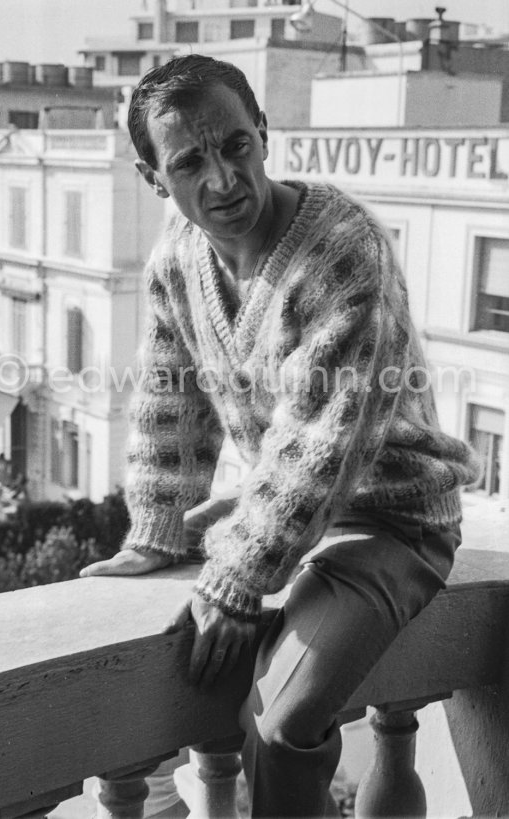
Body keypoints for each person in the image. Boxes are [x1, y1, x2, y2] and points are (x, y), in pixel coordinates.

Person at [80, 55, 480, 817]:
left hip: (394, 522)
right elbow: (169, 399)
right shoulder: (176, 260)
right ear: (154, 177)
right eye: (190, 162)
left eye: (235, 145)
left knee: (278, 718)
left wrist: (236, 578)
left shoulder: (342, 247)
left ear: (263, 133)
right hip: (298, 511)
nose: (224, 180)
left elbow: (323, 440)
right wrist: (161, 530)